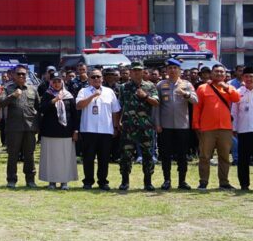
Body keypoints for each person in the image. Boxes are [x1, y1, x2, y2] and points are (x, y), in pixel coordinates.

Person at [193, 63, 240, 190]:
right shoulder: (202, 88)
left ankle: (224, 182)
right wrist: (196, 124)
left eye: (221, 72)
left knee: (224, 156)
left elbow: (236, 99)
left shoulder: (229, 87)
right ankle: (203, 182)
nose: (219, 74)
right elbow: (197, 107)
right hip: (207, 128)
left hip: (225, 128)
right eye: (216, 72)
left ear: (225, 75)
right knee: (204, 156)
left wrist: (226, 87)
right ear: (211, 74)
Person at [155, 58, 197, 190]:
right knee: (165, 154)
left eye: (175, 68)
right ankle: (166, 180)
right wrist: (157, 123)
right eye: (170, 68)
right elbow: (156, 106)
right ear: (166, 71)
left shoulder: (187, 84)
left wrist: (186, 94)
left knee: (182, 155)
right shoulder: (161, 85)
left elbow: (195, 100)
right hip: (165, 126)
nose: (172, 71)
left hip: (182, 125)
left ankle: (182, 181)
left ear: (180, 71)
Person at [76, 68, 121, 190]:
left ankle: (103, 182)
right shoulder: (83, 91)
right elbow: (79, 106)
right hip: (88, 130)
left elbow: (115, 111)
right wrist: (92, 96)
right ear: (89, 79)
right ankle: (88, 181)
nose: (96, 79)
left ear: (102, 78)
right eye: (93, 77)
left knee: (104, 158)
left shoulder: (109, 91)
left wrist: (116, 126)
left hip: (106, 130)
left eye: (98, 77)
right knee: (88, 158)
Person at [117, 62, 159, 191]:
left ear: (143, 72)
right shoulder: (124, 87)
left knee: (147, 155)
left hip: (145, 127)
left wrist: (145, 96)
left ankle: (148, 182)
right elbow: (120, 107)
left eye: (139, 70)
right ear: (130, 72)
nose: (136, 72)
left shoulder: (150, 86)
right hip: (128, 126)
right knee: (126, 155)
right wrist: (118, 122)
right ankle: (125, 182)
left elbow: (156, 102)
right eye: (134, 70)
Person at [0, 64, 39, 188]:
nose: (21, 76)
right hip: (14, 128)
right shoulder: (7, 88)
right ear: (13, 75)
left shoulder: (33, 89)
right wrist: (13, 96)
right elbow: (1, 103)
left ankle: (30, 180)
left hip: (29, 127)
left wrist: (38, 126)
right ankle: (11, 179)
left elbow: (38, 108)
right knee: (13, 154)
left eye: (23, 74)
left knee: (29, 154)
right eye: (19, 74)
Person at [38, 72, 79, 190]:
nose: (56, 84)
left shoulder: (69, 95)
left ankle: (64, 181)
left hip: (66, 133)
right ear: (51, 82)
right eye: (54, 81)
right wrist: (54, 100)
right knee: (51, 158)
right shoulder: (47, 94)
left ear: (63, 82)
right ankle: (52, 181)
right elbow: (42, 109)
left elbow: (75, 115)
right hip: (49, 132)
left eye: (58, 81)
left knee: (65, 158)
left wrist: (76, 130)